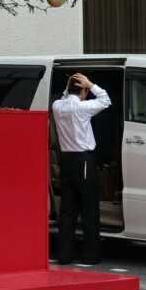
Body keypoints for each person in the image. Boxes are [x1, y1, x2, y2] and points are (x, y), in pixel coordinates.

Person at [50, 72, 111, 265]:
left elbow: (64, 96)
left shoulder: (57, 106)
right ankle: (90, 255)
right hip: (84, 160)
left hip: (66, 160)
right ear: (83, 90)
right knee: (89, 208)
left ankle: (64, 254)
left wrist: (72, 85)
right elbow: (105, 100)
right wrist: (91, 84)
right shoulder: (83, 107)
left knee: (67, 210)